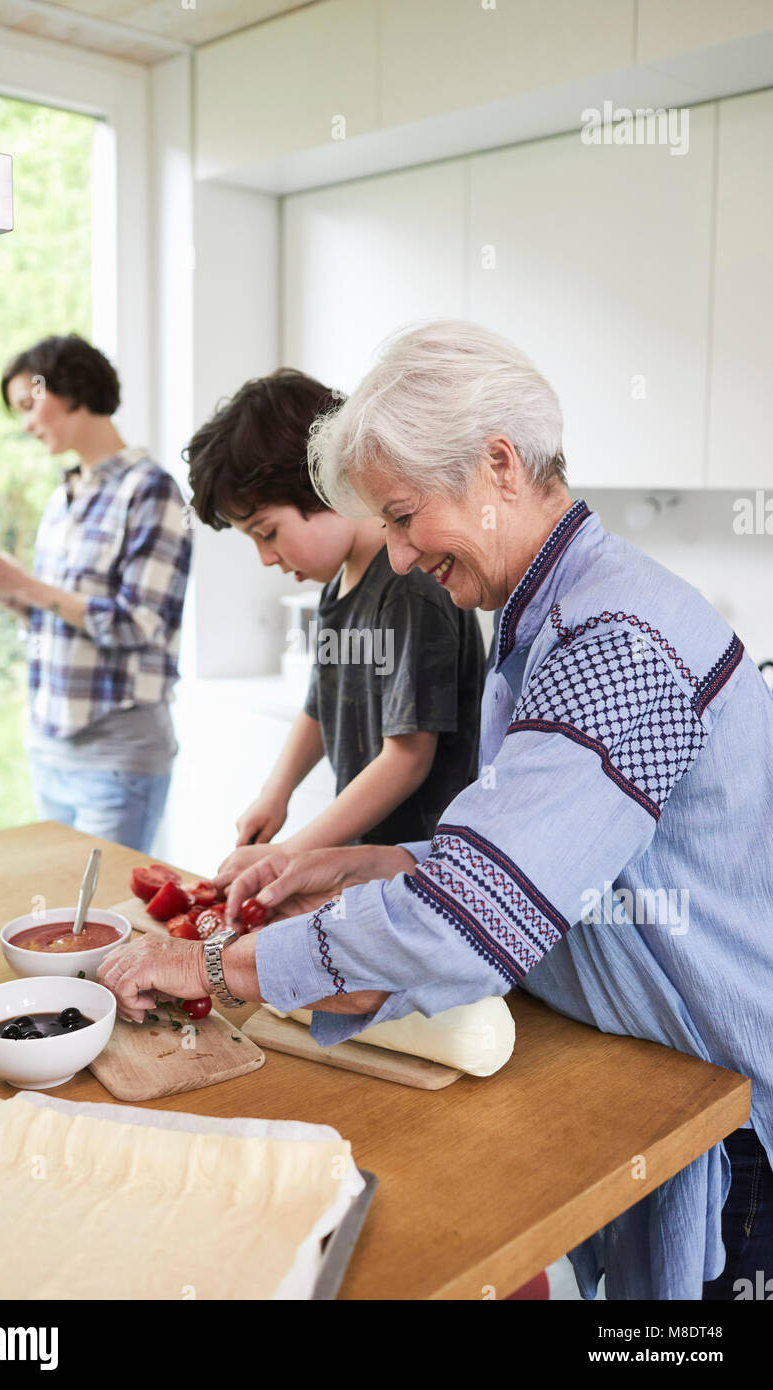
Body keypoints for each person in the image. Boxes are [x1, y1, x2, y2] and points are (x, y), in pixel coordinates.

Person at [98, 321, 773, 1300]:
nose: (402, 558)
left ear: (498, 464)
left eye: (405, 517)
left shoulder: (614, 643)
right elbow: (534, 864)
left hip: (721, 1100)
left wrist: (208, 967)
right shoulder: (549, 614)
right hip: (640, 1062)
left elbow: (467, 927)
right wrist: (357, 864)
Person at [184, 368, 485, 877]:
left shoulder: (410, 585)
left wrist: (291, 854)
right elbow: (319, 708)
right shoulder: (336, 589)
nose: (265, 557)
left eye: (268, 532)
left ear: (324, 486)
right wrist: (273, 795)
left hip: (426, 867)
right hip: (367, 859)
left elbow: (407, 758)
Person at [0, 333, 191, 852]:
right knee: (60, 922)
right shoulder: (63, 496)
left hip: (116, 756)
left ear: (73, 391)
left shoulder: (151, 490)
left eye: (30, 405)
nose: (27, 424)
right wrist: (6, 592)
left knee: (106, 921)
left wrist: (25, 584)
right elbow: (60, 619)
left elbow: (139, 624)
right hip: (49, 748)